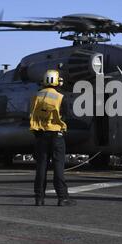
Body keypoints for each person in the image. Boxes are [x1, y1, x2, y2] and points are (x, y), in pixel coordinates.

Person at [29, 69, 76, 207]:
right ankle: (62, 198)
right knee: (58, 167)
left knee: (41, 167)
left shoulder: (36, 96)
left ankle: (39, 198)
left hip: (40, 136)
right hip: (57, 136)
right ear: (57, 81)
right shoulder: (61, 97)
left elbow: (32, 114)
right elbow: (66, 116)